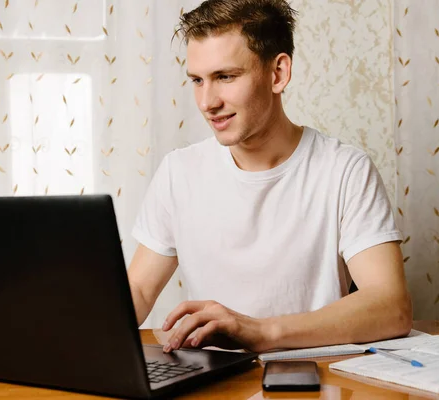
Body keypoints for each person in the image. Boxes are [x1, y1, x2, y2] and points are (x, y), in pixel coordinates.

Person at [127, 0, 412, 354]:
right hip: (214, 382)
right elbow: (137, 291)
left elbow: (391, 307)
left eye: (225, 77)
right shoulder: (178, 171)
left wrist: (260, 332)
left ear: (278, 73)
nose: (206, 101)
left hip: (312, 380)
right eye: (197, 80)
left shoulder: (345, 170)